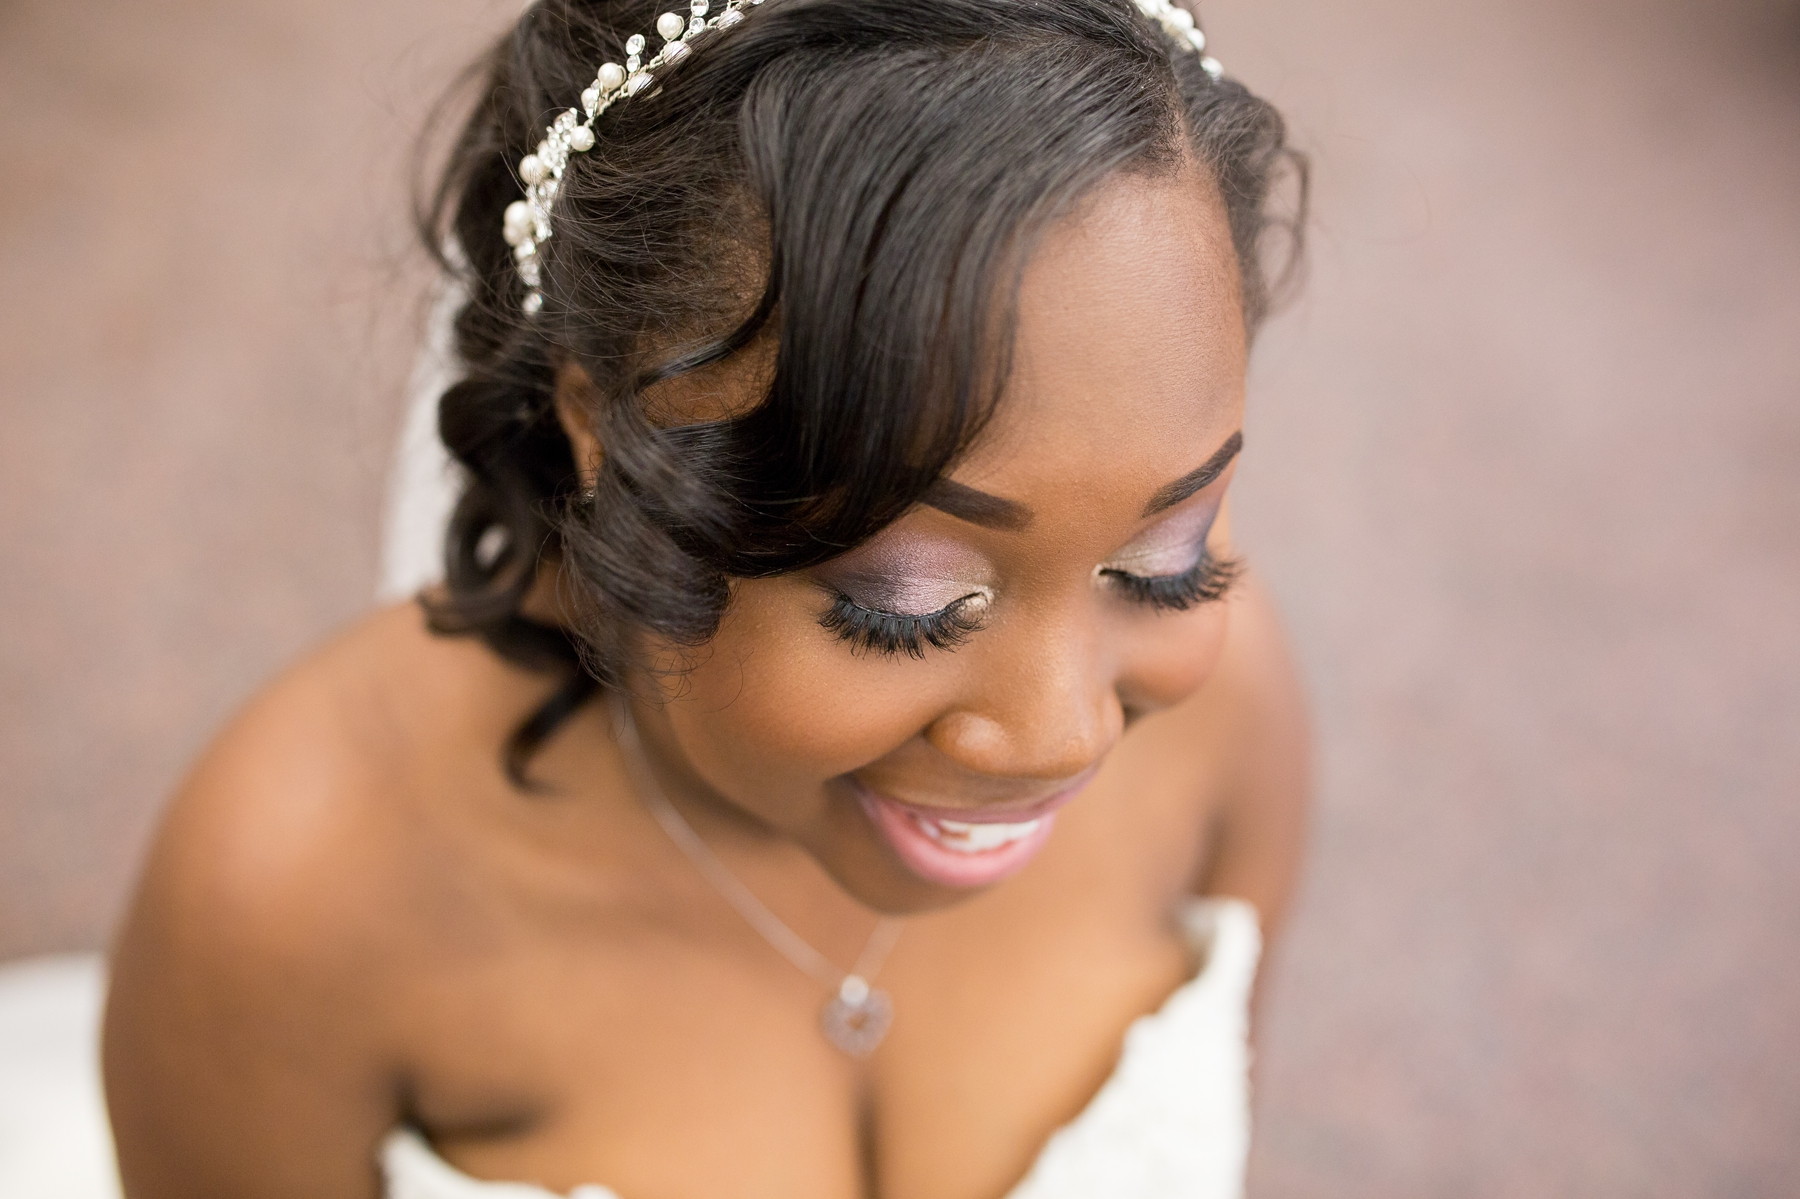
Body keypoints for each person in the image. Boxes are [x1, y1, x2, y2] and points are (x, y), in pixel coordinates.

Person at [101, 0, 1310, 1195]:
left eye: (1166, 555)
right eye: (907, 599)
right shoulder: (294, 895)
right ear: (602, 427)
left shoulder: (1224, 702)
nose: (1065, 735)